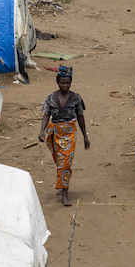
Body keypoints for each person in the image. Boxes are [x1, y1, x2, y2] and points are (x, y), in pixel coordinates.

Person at [39, 66, 88, 206]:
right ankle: (62, 183)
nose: (65, 85)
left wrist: (85, 136)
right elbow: (46, 115)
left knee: (66, 162)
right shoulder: (51, 97)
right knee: (59, 161)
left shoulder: (76, 97)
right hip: (54, 133)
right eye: (62, 83)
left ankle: (65, 192)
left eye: (67, 83)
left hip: (70, 133)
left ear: (71, 82)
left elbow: (80, 117)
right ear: (58, 82)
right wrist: (42, 131)